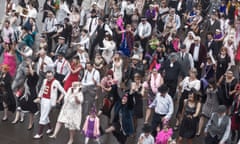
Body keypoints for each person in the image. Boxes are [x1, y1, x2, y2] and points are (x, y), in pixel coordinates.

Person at [33, 71, 66, 139]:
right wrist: (39, 97)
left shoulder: (56, 82)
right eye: (47, 76)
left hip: (49, 101)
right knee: (44, 115)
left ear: (53, 76)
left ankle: (40, 133)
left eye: (50, 76)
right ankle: (50, 128)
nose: (49, 78)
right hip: (43, 99)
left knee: (43, 117)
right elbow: (42, 89)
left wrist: (63, 98)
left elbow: (62, 90)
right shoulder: (45, 81)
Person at [12, 59, 39, 130]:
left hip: (32, 94)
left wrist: (30, 64)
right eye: (26, 69)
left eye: (28, 69)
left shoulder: (35, 75)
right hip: (26, 94)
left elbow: (32, 74)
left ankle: (31, 123)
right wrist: (19, 92)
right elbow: (24, 85)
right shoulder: (27, 77)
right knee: (21, 103)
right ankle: (20, 118)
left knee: (31, 110)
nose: (26, 71)